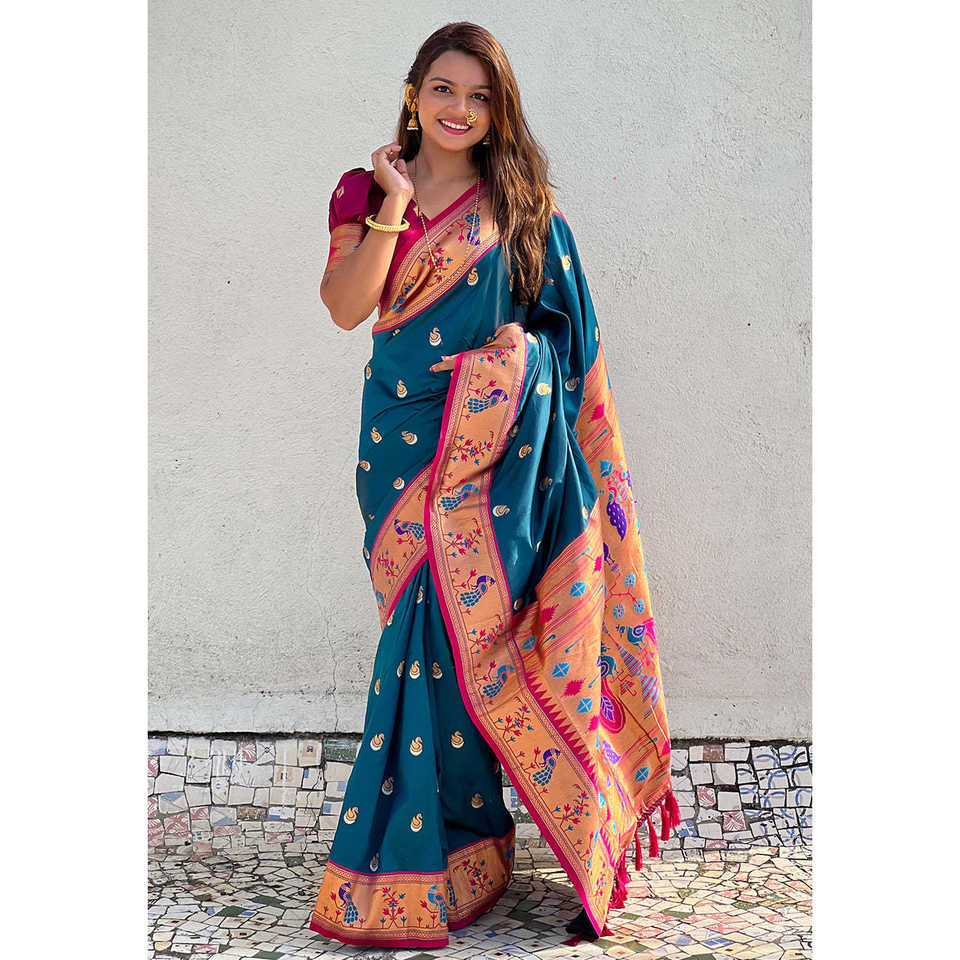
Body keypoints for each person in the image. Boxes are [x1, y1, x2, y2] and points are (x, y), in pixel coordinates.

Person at [308, 22, 680, 950]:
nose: (460, 110)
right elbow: (347, 306)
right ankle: (455, 851)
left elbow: (566, 343)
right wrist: (395, 203)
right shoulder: (364, 191)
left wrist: (515, 360)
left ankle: (457, 851)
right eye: (444, 89)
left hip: (492, 456)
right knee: (419, 636)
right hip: (397, 450)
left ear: (497, 110)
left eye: (479, 97)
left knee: (454, 639)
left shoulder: (522, 209)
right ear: (414, 94)